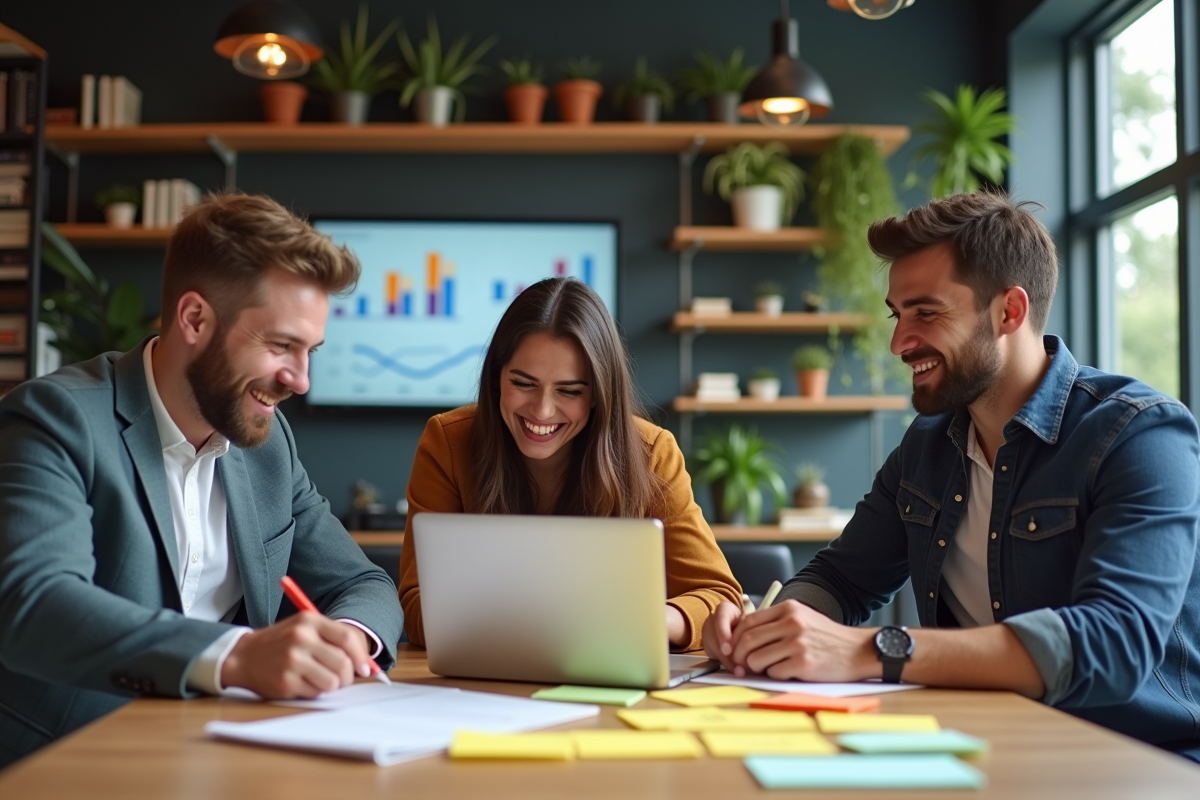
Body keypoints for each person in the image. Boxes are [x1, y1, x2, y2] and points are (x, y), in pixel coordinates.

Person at [703, 191, 1200, 762]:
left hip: (1136, 762)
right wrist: (772, 626)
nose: (898, 342)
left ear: (1009, 311)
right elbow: (842, 580)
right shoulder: (926, 448)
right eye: (897, 314)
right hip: (980, 746)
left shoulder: (1141, 434)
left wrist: (874, 650)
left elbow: (1114, 644)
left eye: (926, 312)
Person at [0, 193, 403, 767]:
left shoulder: (268, 445)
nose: (302, 380)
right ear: (195, 319)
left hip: (220, 757)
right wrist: (237, 656)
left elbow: (362, 582)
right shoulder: (56, 417)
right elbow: (35, 607)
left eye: (310, 350)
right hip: (68, 762)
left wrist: (348, 638)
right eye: (281, 346)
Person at [399, 277, 741, 650]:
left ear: (598, 393)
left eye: (569, 391)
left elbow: (718, 596)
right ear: (497, 377)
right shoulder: (447, 442)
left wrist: (650, 620)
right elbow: (417, 603)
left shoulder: (652, 453)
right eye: (524, 383)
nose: (542, 410)